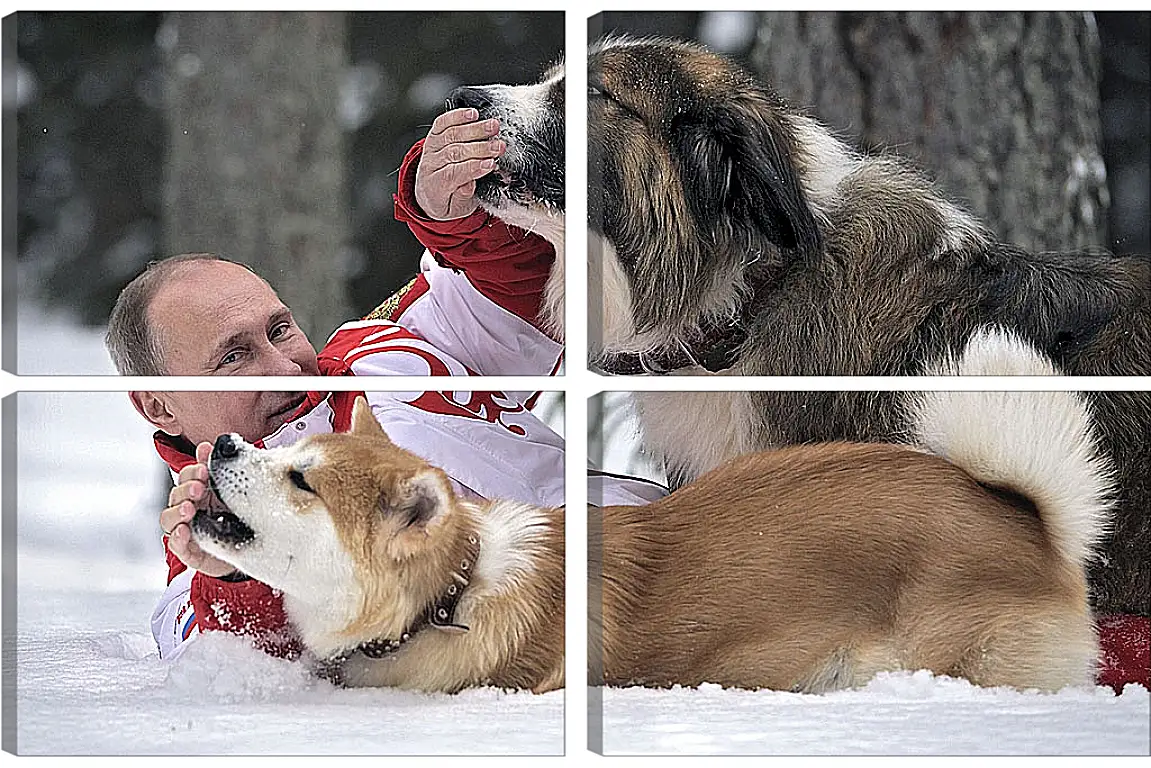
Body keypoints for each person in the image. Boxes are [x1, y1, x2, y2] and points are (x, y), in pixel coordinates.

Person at [111, 108, 655, 661]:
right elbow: (230, 666)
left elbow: (528, 284)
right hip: (570, 662)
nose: (284, 367)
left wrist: (447, 209)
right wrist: (240, 565)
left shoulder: (380, 353)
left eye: (280, 329)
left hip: (672, 551)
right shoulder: (201, 559)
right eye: (234, 357)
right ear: (159, 404)